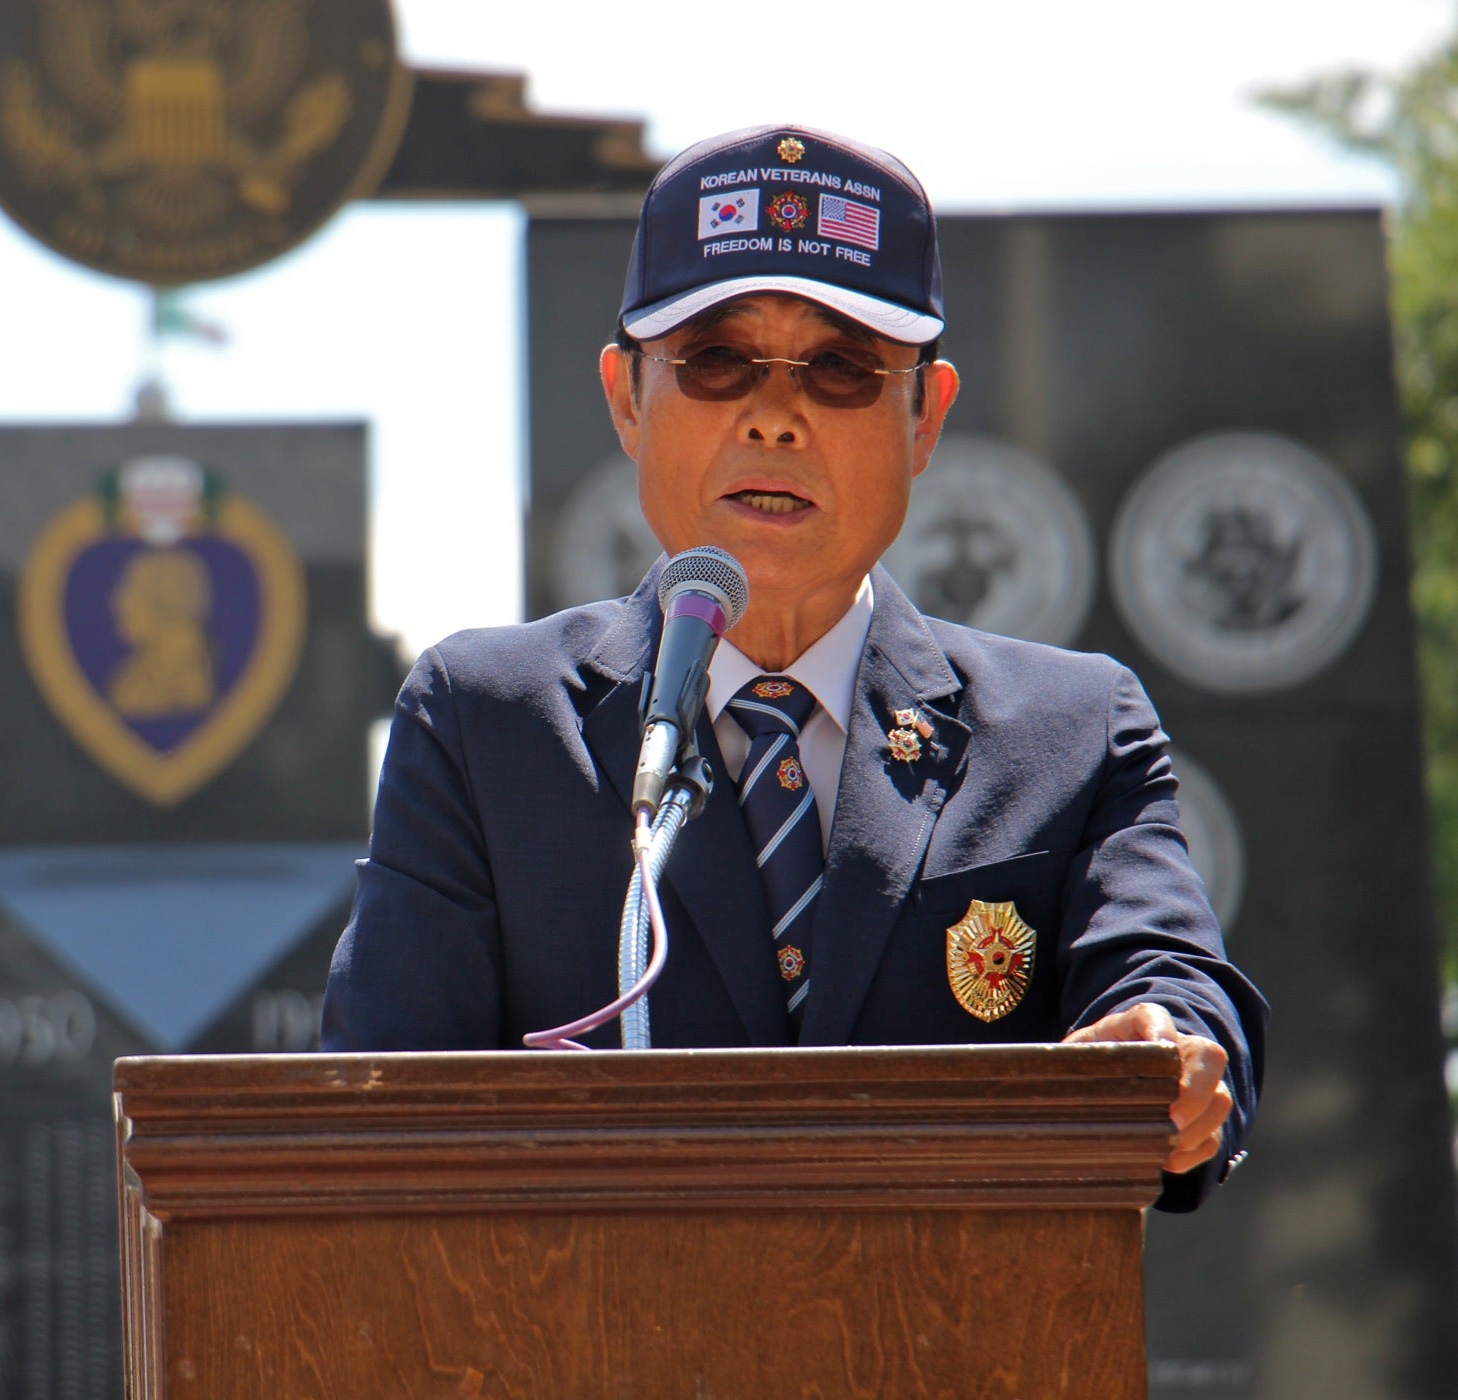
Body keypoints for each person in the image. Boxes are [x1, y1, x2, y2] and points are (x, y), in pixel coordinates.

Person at [319, 123, 1266, 1211]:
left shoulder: (1072, 730)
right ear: (627, 398)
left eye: (842, 369)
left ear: (927, 419)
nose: (774, 417)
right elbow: (379, 1116)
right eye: (716, 362)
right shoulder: (485, 725)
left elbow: (1171, 981)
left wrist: (1172, 1050)